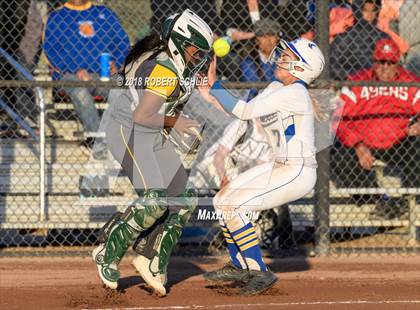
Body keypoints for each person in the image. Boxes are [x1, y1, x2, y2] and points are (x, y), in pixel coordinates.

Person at [91, 9, 214, 296]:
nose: (200, 58)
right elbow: (142, 116)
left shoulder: (181, 70)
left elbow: (168, 112)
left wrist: (177, 132)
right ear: (178, 45)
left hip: (150, 133)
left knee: (184, 200)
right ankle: (107, 250)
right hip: (126, 130)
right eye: (196, 50)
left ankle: (150, 259)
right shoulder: (165, 69)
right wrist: (176, 123)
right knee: (156, 200)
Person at [199, 38, 325, 295]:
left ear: (302, 68)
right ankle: (240, 265)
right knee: (222, 201)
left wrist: (216, 85)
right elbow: (240, 111)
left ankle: (259, 271)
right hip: (278, 165)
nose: (281, 57)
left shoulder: (294, 93)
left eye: (289, 56)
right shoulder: (277, 86)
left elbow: (243, 110)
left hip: (297, 171)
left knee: (236, 206)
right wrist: (211, 90)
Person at [332, 38, 419, 218]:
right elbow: (337, 119)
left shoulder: (410, 82)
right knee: (336, 154)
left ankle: (408, 199)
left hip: (399, 144)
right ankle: (379, 199)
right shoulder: (357, 82)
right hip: (364, 146)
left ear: (397, 63)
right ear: (374, 62)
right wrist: (357, 144)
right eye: (381, 62)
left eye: (390, 62)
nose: (385, 67)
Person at [43, 0, 130, 144]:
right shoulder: (57, 17)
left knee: (128, 89)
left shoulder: (105, 14)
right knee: (80, 92)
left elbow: (122, 44)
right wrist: (74, 69)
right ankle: (97, 139)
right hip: (69, 77)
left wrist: (117, 63)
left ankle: (128, 138)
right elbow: (50, 52)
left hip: (104, 76)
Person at [331, 0, 389, 80]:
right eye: (365, 10)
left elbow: (394, 62)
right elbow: (332, 63)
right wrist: (356, 76)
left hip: (379, 81)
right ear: (357, 11)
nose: (370, 15)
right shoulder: (346, 37)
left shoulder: (383, 36)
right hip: (353, 82)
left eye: (373, 10)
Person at [240, 18, 281, 99]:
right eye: (263, 36)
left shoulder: (285, 58)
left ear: (277, 39)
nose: (268, 40)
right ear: (256, 40)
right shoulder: (249, 61)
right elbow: (253, 88)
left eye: (272, 35)